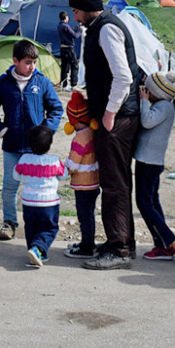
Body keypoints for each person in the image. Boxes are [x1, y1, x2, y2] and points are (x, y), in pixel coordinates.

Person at [69, 0, 141, 271]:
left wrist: (109, 112)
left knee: (114, 185)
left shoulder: (107, 29)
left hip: (119, 118)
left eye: (76, 11)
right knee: (117, 182)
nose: (74, 17)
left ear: (86, 8)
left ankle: (119, 249)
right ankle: (121, 242)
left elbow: (123, 77)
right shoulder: (101, 26)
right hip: (118, 115)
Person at [0, 38, 62, 246]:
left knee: (39, 188)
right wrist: (1, 129)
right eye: (28, 62)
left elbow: (56, 108)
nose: (32, 67)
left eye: (35, 62)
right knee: (10, 187)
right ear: (15, 61)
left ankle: (39, 225)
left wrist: (46, 132)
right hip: (12, 146)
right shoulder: (2, 84)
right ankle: (9, 224)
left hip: (37, 150)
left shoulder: (42, 82)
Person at [135, 71, 175, 263]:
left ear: (157, 92)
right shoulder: (162, 105)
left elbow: (147, 121)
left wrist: (142, 100)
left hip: (149, 162)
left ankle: (174, 242)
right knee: (152, 203)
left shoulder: (164, 106)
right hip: (149, 161)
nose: (147, 92)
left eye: (149, 89)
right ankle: (163, 245)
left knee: (145, 203)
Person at [15, 125, 64, 268]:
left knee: (31, 228)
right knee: (50, 228)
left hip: (28, 202)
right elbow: (63, 175)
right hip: (49, 203)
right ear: (49, 145)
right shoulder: (54, 160)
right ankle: (38, 249)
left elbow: (15, 175)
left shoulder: (24, 159)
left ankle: (34, 252)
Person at [63, 92, 99, 259]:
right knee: (89, 214)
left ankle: (87, 247)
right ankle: (88, 242)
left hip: (83, 184)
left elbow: (73, 163)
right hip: (93, 182)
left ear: (73, 120)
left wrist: (63, 169)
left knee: (84, 215)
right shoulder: (92, 132)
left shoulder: (80, 138)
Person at [57, 11, 82, 90]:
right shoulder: (66, 26)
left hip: (63, 49)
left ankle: (63, 84)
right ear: (66, 17)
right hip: (69, 49)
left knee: (64, 67)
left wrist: (77, 27)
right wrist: (80, 31)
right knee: (75, 65)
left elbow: (70, 31)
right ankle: (74, 84)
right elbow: (74, 35)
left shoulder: (60, 26)